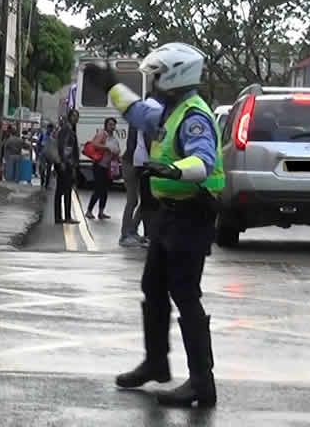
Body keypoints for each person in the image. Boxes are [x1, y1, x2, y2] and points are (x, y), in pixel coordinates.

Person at [85, 42, 223, 408]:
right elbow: (136, 111)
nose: (155, 82)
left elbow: (204, 161)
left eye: (159, 75)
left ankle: (201, 382)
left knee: (185, 293)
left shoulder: (194, 116)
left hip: (192, 214)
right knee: (154, 286)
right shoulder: (169, 111)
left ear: (176, 75)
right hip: (169, 214)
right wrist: (112, 83)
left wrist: (175, 168)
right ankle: (157, 362)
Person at [85, 118, 120, 220]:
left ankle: (101, 212)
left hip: (108, 167)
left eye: (113, 125)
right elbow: (94, 144)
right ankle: (89, 211)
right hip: (99, 165)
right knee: (98, 189)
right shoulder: (102, 134)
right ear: (106, 125)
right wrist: (107, 148)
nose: (112, 127)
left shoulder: (113, 138)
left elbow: (117, 149)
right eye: (110, 124)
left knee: (105, 190)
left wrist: (116, 154)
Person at [53, 109, 81, 224]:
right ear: (70, 117)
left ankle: (59, 217)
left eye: (77, 116)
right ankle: (66, 216)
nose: (76, 118)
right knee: (66, 191)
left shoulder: (68, 129)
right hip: (66, 164)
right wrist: (66, 162)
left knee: (61, 191)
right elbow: (65, 147)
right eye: (74, 116)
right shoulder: (67, 129)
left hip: (64, 163)